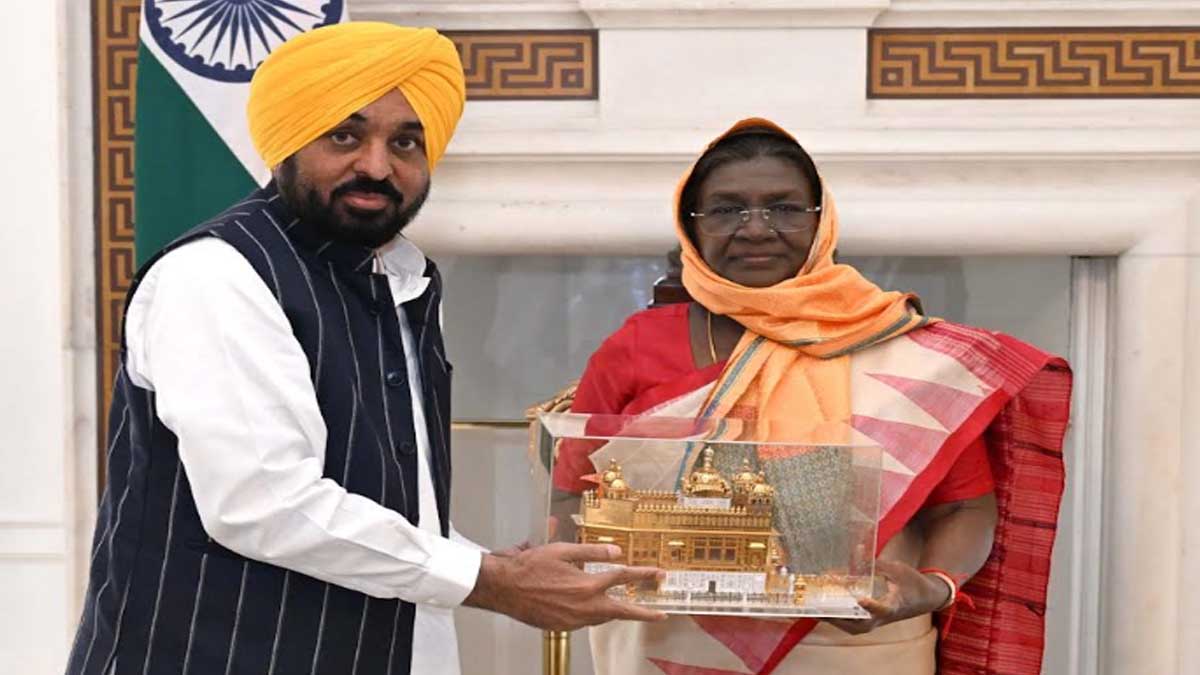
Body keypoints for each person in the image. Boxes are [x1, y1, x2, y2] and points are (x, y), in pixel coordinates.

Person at [66, 22, 663, 675]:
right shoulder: (219, 274)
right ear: (289, 141)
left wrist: (491, 565)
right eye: (344, 136)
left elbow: (384, 505)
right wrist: (492, 580)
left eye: (405, 141)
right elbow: (264, 503)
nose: (377, 166)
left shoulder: (401, 280)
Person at [552, 118, 1072, 674]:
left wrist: (929, 588)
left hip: (862, 649)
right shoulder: (637, 346)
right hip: (670, 643)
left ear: (822, 222)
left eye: (784, 208)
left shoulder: (898, 346)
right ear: (691, 227)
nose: (756, 229)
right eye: (726, 210)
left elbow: (965, 508)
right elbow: (571, 497)